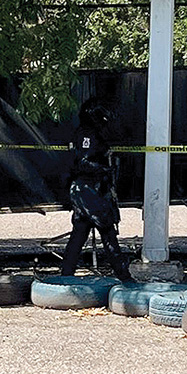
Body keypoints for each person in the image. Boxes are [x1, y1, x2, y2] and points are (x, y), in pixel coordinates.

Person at [59, 98, 133, 282]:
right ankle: (124, 277)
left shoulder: (89, 133)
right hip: (88, 190)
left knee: (80, 234)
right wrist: (106, 169)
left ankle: (66, 275)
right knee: (107, 231)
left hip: (86, 190)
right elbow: (83, 163)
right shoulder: (87, 134)